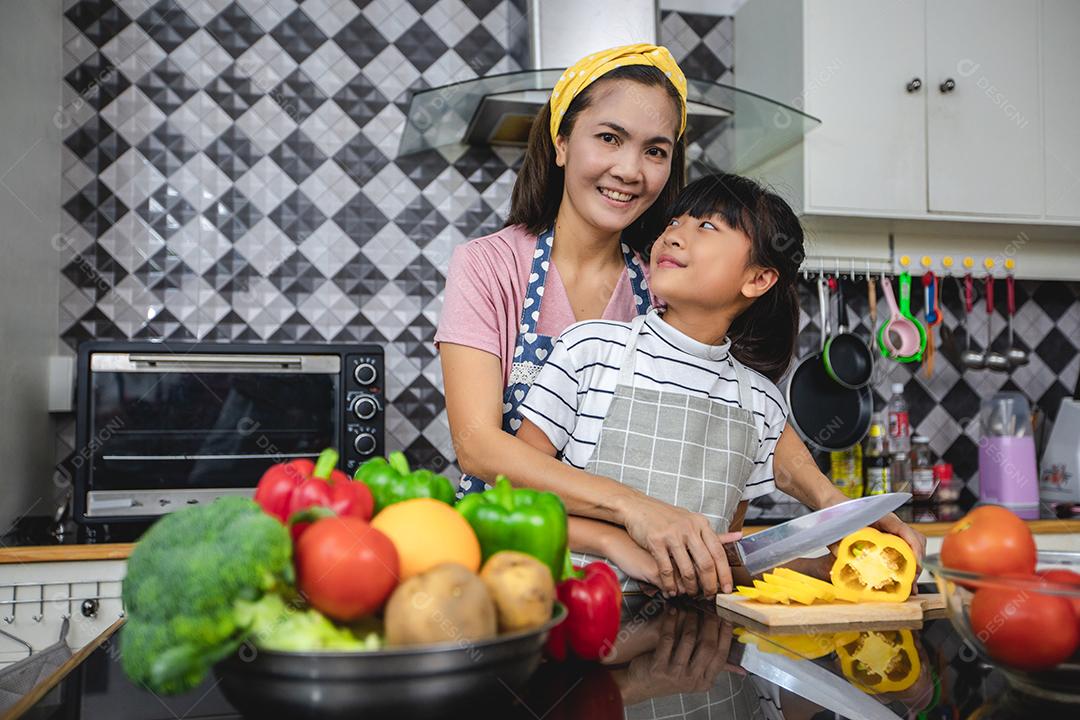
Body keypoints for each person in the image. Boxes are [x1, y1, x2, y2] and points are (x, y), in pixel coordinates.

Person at [435, 44, 925, 599]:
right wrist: (634, 513)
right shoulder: (490, 265)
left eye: (656, 151)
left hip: (650, 590)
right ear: (562, 142)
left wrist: (839, 512)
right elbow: (478, 446)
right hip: (509, 569)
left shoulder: (666, 278)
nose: (629, 170)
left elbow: (765, 430)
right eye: (609, 138)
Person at [515, 173, 799, 593]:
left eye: (705, 226)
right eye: (673, 222)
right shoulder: (589, 349)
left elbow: (721, 553)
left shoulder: (761, 405)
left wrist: (818, 564)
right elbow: (520, 494)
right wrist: (613, 544)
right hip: (570, 615)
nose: (674, 235)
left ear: (758, 279)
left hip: (691, 640)